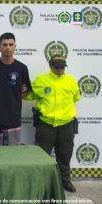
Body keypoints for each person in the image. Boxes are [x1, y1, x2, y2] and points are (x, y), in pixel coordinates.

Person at [25, 55, 80, 192]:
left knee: (64, 155)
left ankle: (65, 181)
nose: (60, 69)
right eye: (57, 66)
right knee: (41, 156)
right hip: (46, 124)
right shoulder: (41, 80)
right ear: (50, 66)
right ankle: (40, 184)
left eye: (62, 66)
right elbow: (30, 95)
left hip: (66, 125)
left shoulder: (71, 81)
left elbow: (76, 97)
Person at [0, 32, 31, 146]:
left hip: (14, 118)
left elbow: (25, 94)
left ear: (15, 47)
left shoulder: (22, 68)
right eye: (4, 45)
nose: (7, 47)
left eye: (10, 44)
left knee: (13, 155)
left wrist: (24, 92)